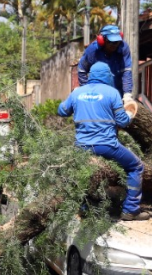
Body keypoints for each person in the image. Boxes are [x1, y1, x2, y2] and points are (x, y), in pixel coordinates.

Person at [58, 61, 147, 221]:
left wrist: (73, 96)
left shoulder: (77, 93)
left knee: (86, 174)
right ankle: (130, 209)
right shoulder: (112, 93)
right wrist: (130, 113)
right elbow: (122, 122)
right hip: (107, 146)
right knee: (136, 166)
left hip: (82, 147)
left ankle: (84, 208)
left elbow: (62, 111)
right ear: (107, 76)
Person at [77, 24, 134, 101]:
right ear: (102, 40)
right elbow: (82, 70)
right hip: (98, 92)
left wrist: (127, 94)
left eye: (116, 42)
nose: (114, 45)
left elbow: (126, 71)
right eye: (110, 42)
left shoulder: (123, 48)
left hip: (118, 90)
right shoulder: (92, 51)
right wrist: (86, 90)